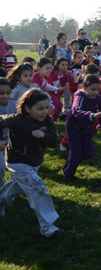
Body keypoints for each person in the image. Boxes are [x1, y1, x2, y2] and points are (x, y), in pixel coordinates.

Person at [0, 88, 59, 237]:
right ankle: (47, 225)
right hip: (17, 162)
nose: (44, 111)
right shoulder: (18, 119)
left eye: (46, 107)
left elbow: (54, 142)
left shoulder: (47, 121)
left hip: (34, 162)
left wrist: (44, 135)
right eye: (39, 109)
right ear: (27, 108)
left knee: (16, 187)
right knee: (38, 188)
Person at [62, 74, 101, 181]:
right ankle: (68, 174)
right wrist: (92, 115)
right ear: (84, 87)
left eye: (98, 89)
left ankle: (72, 152)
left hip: (87, 128)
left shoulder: (98, 97)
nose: (95, 92)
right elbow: (76, 111)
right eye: (92, 89)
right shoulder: (80, 96)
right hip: (74, 128)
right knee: (76, 155)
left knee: (88, 153)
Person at [0, 77, 16, 183]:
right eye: (1, 93)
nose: (5, 96)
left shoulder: (15, 105)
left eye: (8, 92)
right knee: (0, 168)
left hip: (12, 142)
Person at [47, 57, 70, 121]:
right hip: (50, 92)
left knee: (58, 106)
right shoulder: (52, 72)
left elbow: (71, 82)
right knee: (59, 105)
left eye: (66, 65)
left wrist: (70, 76)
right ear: (57, 65)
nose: (65, 67)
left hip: (59, 94)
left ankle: (53, 119)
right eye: (62, 65)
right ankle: (52, 119)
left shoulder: (66, 75)